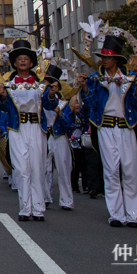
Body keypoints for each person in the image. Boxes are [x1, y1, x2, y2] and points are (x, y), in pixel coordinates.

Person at [76, 34, 137, 227]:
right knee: (111, 170)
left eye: (108, 57)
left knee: (131, 171)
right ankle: (116, 214)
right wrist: (85, 88)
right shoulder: (95, 79)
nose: (104, 60)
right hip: (105, 127)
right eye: (103, 57)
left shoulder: (131, 79)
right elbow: (89, 104)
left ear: (117, 59)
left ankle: (133, 214)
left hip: (127, 128)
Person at [0, 40, 57, 222]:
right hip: (17, 128)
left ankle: (38, 208)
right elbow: (2, 109)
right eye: (19, 59)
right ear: (14, 63)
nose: (22, 61)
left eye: (26, 58)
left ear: (31, 63)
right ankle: (25, 207)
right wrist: (3, 97)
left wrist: (52, 94)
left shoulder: (41, 83)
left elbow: (50, 104)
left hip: (36, 127)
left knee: (37, 167)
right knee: (21, 169)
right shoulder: (7, 83)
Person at [42, 68, 76, 211]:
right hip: (45, 136)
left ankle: (66, 200)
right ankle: (45, 197)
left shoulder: (63, 103)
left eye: (49, 84)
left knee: (63, 169)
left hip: (60, 136)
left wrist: (60, 114)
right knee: (44, 169)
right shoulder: (41, 101)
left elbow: (68, 123)